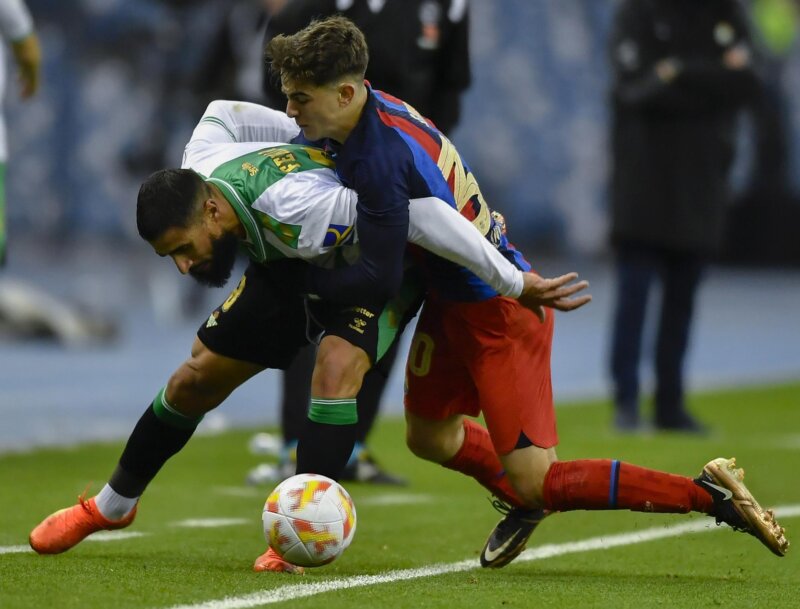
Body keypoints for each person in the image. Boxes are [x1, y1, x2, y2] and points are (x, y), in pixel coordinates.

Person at [262, 15, 787, 570]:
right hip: (452, 299)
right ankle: (520, 496)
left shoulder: (381, 157)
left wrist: (307, 284)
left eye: (300, 99)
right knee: (428, 436)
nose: (292, 112)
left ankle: (709, 494)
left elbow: (391, 263)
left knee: (541, 482)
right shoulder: (375, 113)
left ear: (346, 93)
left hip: (500, 311)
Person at [27, 98, 592, 574]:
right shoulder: (202, 159)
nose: (181, 266)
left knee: (336, 368)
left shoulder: (304, 205)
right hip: (289, 264)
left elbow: (422, 215)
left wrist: (512, 280)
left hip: (376, 266)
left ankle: (300, 534)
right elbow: (220, 111)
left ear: (213, 210)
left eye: (182, 248)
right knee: (194, 379)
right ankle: (112, 506)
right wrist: (299, 137)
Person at [251, 0, 472, 486]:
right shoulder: (304, 12)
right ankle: (296, 444)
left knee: (383, 307)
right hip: (317, 184)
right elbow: (278, 100)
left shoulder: (447, 6)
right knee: (308, 308)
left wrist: (425, 165)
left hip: (396, 182)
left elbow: (452, 85)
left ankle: (353, 446)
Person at [607, 0, 761, 433]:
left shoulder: (724, 13)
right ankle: (625, 401)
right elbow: (632, 90)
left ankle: (670, 405)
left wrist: (677, 70)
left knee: (683, 299)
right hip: (644, 180)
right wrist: (712, 79)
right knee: (634, 296)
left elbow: (749, 82)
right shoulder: (638, 12)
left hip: (700, 183)